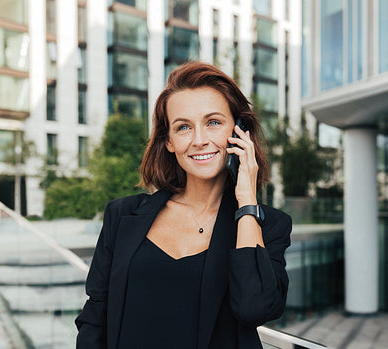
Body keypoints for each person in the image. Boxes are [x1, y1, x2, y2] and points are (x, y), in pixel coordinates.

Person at [75, 61, 292, 349]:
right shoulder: (122, 216)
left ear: (240, 132)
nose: (200, 140)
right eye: (184, 127)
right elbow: (94, 319)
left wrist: (247, 203)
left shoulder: (268, 226)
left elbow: (255, 309)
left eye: (213, 122)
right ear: (168, 141)